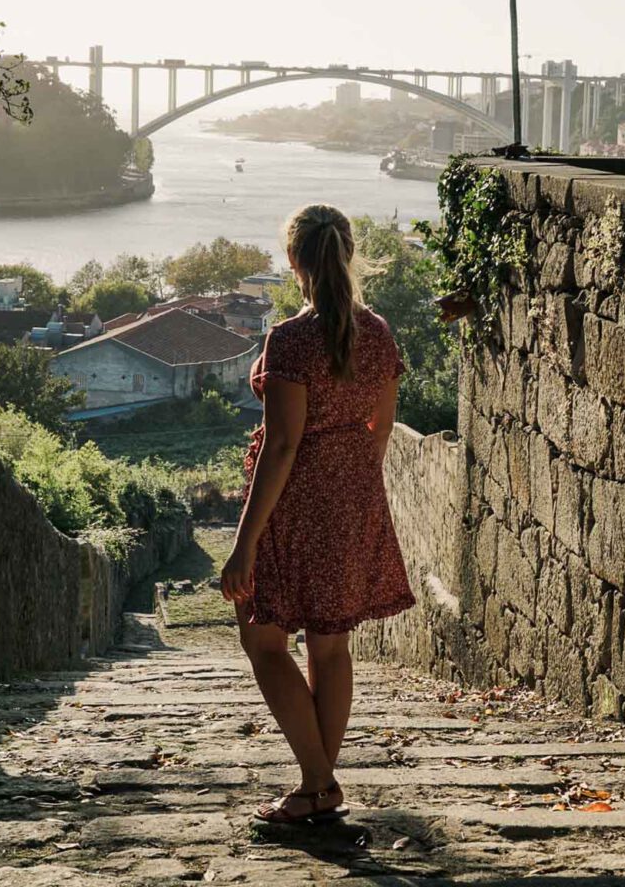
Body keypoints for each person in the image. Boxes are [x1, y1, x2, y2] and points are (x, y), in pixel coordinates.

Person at [221, 203, 415, 824]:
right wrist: (353, 480)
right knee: (331, 648)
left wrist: (244, 543)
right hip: (355, 500)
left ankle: (316, 782)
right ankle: (318, 788)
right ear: (347, 255)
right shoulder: (378, 333)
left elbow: (282, 445)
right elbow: (380, 428)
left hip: (294, 506)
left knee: (262, 638)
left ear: (293, 262)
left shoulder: (290, 339)